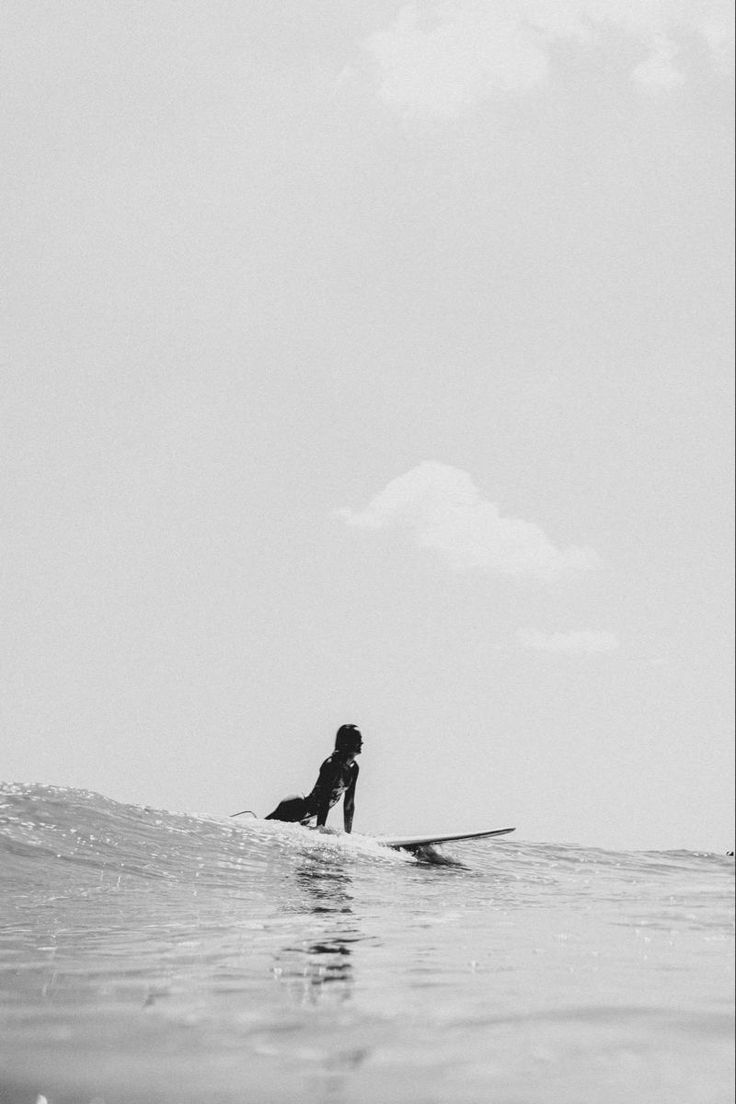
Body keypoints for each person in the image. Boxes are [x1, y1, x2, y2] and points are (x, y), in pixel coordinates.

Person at [265, 724, 363, 833]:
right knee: (263, 828)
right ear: (346, 742)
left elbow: (349, 804)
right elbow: (324, 799)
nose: (361, 743)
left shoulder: (354, 768)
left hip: (307, 816)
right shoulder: (332, 765)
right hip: (296, 806)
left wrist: (348, 834)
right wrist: (320, 829)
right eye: (358, 739)